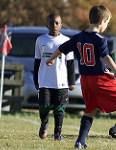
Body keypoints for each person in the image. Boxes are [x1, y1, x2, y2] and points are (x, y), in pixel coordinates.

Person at [46, 5, 116, 149]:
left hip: (85, 80)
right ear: (102, 21)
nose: (106, 25)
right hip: (100, 79)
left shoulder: (78, 37)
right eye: (107, 22)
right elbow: (105, 57)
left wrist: (51, 58)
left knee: (90, 110)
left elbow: (63, 47)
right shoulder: (100, 39)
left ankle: (80, 141)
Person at [33, 13, 75, 141]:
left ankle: (57, 133)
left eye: (57, 23)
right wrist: (36, 80)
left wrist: (71, 82)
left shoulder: (67, 41)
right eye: (51, 23)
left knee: (59, 109)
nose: (54, 25)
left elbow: (70, 63)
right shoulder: (41, 40)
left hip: (61, 82)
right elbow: (37, 61)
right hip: (45, 81)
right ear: (47, 24)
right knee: (44, 107)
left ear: (61, 25)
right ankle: (44, 123)